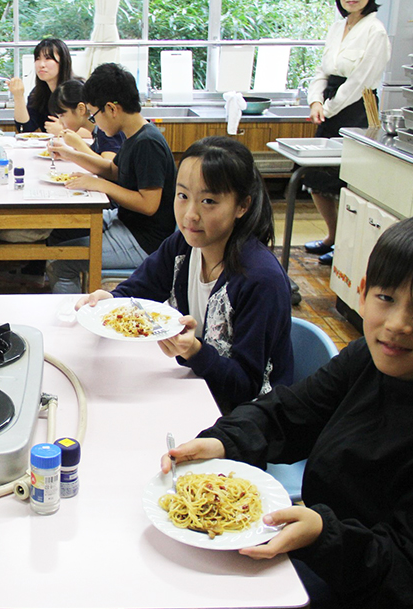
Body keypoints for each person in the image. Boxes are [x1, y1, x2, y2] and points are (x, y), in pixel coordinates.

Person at [163, 214, 413, 609]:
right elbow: (292, 411)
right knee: (172, 579)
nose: (398, 324)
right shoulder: (371, 358)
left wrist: (325, 535)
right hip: (326, 553)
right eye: (386, 298)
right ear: (363, 293)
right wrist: (223, 441)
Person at [76, 136, 293, 413]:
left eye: (209, 201)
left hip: (247, 418)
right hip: (198, 390)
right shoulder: (185, 246)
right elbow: (142, 288)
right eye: (183, 196)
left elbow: (246, 386)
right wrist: (111, 298)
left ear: (242, 206)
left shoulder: (261, 280)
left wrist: (194, 352)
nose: (190, 214)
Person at [47, 63, 177, 294]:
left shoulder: (148, 143)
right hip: (125, 220)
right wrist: (70, 154)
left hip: (145, 240)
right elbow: (112, 170)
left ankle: (75, 321)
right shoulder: (134, 135)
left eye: (95, 116)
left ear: (112, 108)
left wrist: (99, 184)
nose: (95, 123)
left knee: (61, 263)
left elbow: (148, 204)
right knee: (62, 237)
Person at [303, 0, 390, 266]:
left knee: (349, 182)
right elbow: (323, 71)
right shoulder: (337, 27)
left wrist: (328, 108)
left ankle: (346, 248)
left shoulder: (375, 31)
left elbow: (360, 81)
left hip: (358, 107)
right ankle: (332, 236)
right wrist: (315, 101)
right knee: (316, 177)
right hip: (330, 103)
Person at [9, 38, 74, 134]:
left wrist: (64, 130)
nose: (41, 65)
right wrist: (18, 96)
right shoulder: (38, 93)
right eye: (38, 59)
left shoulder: (77, 90)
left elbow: (95, 130)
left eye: (48, 58)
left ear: (63, 61)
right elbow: (26, 129)